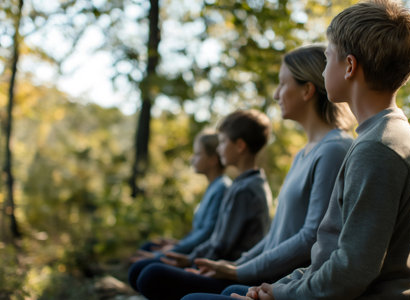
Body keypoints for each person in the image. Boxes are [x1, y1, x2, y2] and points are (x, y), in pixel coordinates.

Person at [202, 1, 410, 299]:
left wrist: (280, 295)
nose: (323, 69)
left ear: (349, 66)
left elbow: (350, 272)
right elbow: (334, 255)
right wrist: (280, 288)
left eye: (327, 58)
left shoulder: (377, 149)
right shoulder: (386, 136)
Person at [177, 44, 355, 300]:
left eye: (283, 84)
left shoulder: (334, 150)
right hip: (269, 279)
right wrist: (237, 267)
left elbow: (310, 238)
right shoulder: (303, 154)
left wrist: (239, 272)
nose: (275, 94)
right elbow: (275, 234)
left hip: (289, 284)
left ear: (307, 90)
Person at [129, 109, 273, 299]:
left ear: (240, 146)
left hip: (229, 273)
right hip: (221, 266)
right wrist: (186, 257)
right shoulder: (245, 184)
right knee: (147, 270)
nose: (219, 148)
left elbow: (221, 246)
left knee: (150, 274)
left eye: (222, 142)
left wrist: (191, 262)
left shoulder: (245, 189)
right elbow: (217, 240)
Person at [128, 131, 231, 264]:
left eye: (198, 154)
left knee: (145, 266)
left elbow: (206, 234)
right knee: (148, 246)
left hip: (201, 258)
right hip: (192, 249)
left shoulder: (222, 188)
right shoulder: (213, 186)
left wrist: (173, 250)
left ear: (213, 160)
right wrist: (177, 243)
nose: (192, 158)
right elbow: (198, 232)